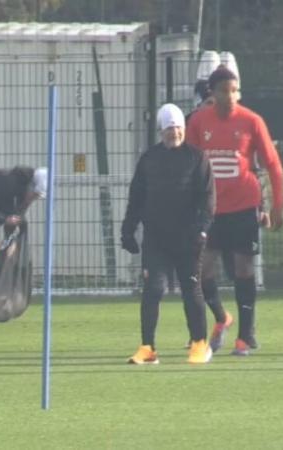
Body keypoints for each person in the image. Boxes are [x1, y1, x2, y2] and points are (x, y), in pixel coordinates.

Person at [186, 66, 283, 356]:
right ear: (212, 94)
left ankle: (246, 335)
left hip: (243, 206)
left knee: (244, 268)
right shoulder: (198, 122)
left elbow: (273, 164)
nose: (229, 96)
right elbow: (188, 166)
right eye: (223, 91)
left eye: (234, 90)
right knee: (202, 269)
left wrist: (276, 205)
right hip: (210, 209)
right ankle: (221, 317)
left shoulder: (252, 121)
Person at [121, 103, 215, 364]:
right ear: (161, 131)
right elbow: (136, 197)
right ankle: (147, 348)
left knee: (191, 289)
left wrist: (202, 230)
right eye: (169, 129)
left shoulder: (198, 158)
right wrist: (128, 230)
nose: (174, 133)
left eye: (178, 128)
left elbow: (207, 198)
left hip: (188, 239)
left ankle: (199, 343)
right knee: (153, 289)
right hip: (156, 239)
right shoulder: (149, 159)